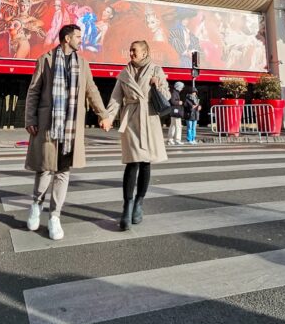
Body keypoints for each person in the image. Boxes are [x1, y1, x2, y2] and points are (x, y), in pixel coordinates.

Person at [24, 24, 111, 240]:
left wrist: (104, 114)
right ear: (66, 38)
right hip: (48, 125)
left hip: (71, 128)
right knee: (44, 170)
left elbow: (92, 90)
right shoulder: (45, 60)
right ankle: (36, 204)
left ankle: (55, 216)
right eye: (78, 37)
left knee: (63, 172)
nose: (81, 40)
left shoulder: (83, 64)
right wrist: (30, 118)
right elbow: (33, 91)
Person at [105, 40, 169, 231]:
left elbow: (166, 95)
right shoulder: (124, 74)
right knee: (132, 163)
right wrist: (108, 118)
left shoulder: (156, 70)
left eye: (134, 50)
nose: (131, 53)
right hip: (132, 119)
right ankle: (127, 206)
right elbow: (116, 99)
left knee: (145, 162)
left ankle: (139, 202)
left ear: (145, 52)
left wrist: (157, 86)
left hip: (149, 118)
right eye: (130, 50)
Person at [167, 81, 185, 145]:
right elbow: (173, 101)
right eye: (181, 87)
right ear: (178, 87)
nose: (182, 89)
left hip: (173, 112)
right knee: (178, 126)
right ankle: (177, 139)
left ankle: (170, 139)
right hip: (176, 112)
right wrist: (179, 102)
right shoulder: (175, 93)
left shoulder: (174, 92)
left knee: (173, 126)